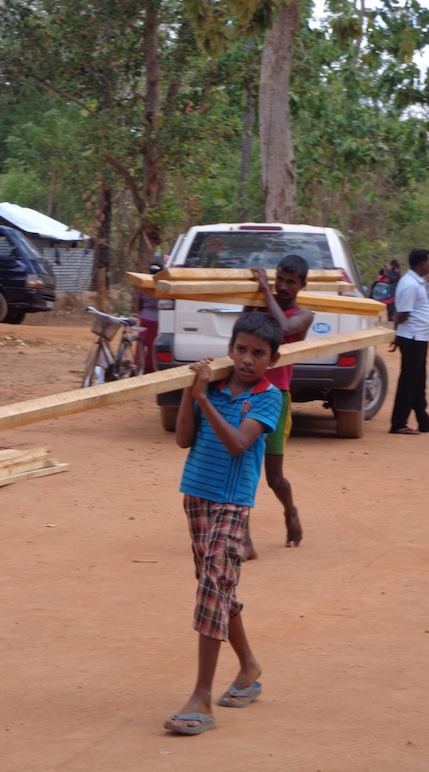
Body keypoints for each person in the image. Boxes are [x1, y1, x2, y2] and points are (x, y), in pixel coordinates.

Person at [163, 311, 283, 736]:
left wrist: (202, 401)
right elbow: (183, 440)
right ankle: (248, 665)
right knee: (218, 587)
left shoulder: (268, 397)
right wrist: (189, 392)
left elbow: (237, 444)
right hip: (195, 495)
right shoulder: (212, 385)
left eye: (258, 353)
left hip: (232, 503)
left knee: (214, 584)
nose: (247, 359)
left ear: (273, 358)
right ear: (230, 348)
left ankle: (201, 696)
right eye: (241, 349)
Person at [244, 257, 313, 553]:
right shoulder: (261, 308)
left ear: (302, 285)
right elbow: (241, 328)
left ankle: (290, 510)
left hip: (276, 397)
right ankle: (242, 538)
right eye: (279, 280)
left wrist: (264, 291)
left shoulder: (303, 315)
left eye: (290, 282)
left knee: (274, 477)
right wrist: (250, 300)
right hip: (247, 392)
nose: (283, 287)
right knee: (243, 467)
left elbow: (283, 328)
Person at [389, 248, 429, 435]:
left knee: (418, 381)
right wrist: (397, 334)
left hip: (419, 337)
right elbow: (402, 313)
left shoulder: (416, 282)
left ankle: (424, 422)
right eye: (428, 262)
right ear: (421, 264)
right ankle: (398, 423)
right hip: (412, 337)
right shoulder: (410, 284)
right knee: (409, 382)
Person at [135, 261, 162, 374]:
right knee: (152, 345)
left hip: (145, 317)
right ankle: (149, 369)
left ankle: (137, 366)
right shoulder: (163, 286)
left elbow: (138, 303)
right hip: (157, 319)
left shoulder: (144, 285)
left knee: (141, 342)